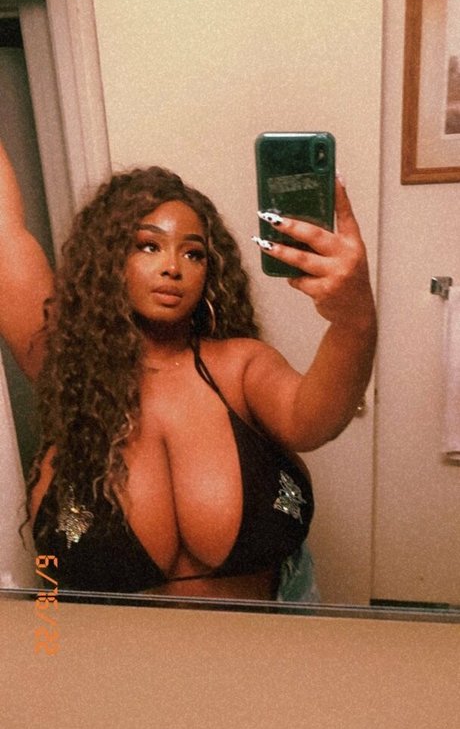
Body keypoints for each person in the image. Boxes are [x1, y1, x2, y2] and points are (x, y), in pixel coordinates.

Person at [0, 141, 377, 600]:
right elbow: (5, 233)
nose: (173, 267)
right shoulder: (68, 367)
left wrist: (354, 318)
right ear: (107, 259)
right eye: (148, 246)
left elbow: (312, 420)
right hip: (108, 647)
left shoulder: (240, 366)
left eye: (193, 253)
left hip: (270, 639)